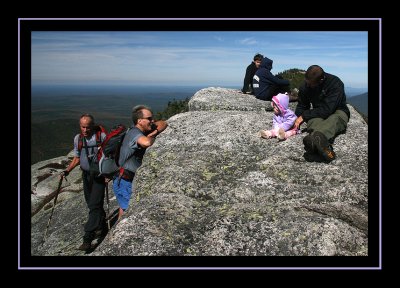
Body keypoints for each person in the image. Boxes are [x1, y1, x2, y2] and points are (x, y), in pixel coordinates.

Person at [60, 114, 107, 251]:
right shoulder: (78, 139)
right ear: (79, 125)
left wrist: (109, 173)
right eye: (82, 127)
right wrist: (67, 171)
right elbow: (77, 157)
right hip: (86, 176)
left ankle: (88, 238)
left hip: (99, 176)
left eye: (88, 127)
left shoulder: (101, 137)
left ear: (92, 125)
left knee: (94, 204)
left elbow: (110, 155)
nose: (85, 130)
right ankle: (101, 226)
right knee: (92, 204)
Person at [113, 105, 168, 220]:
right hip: (124, 181)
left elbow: (164, 123)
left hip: (128, 180)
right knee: (129, 213)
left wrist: (155, 131)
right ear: (139, 121)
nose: (152, 121)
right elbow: (146, 143)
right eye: (149, 118)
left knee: (124, 211)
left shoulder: (140, 130)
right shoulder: (134, 133)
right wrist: (152, 137)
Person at [293, 65, 350, 162]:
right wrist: (295, 119)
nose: (308, 86)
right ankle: (322, 145)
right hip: (318, 113)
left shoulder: (335, 83)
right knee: (312, 120)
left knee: (334, 119)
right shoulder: (305, 86)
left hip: (338, 111)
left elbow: (328, 109)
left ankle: (316, 140)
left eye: (311, 84)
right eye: (307, 83)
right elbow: (302, 106)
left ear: (321, 80)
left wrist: (304, 115)